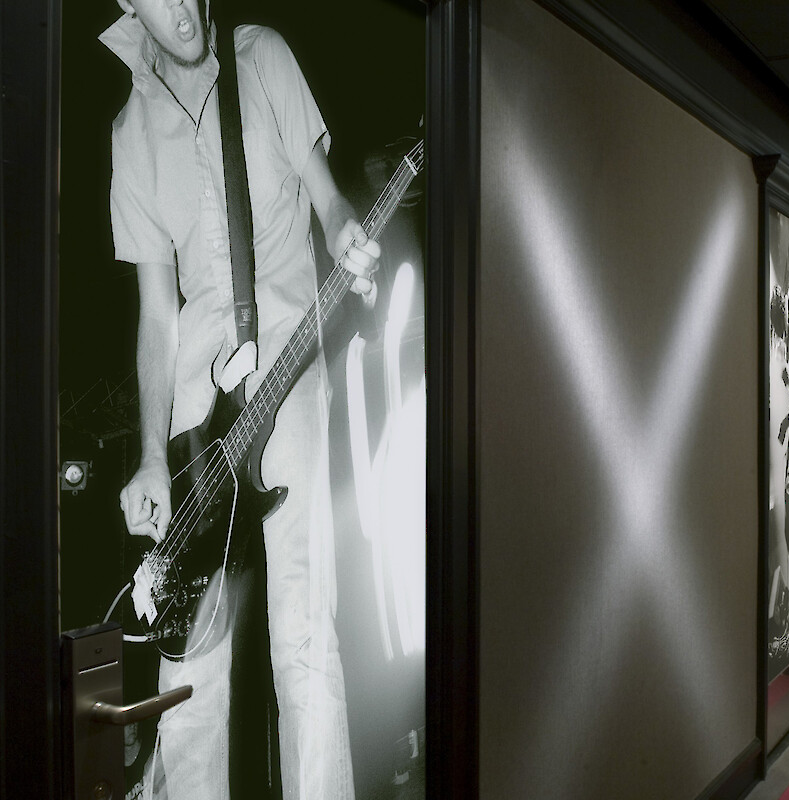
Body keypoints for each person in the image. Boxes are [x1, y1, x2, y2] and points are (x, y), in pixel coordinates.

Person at [105, 1, 379, 797]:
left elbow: (327, 200)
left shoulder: (262, 58)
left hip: (290, 366)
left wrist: (345, 233)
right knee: (190, 670)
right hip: (197, 412)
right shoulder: (130, 136)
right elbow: (158, 317)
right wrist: (153, 459)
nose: (185, 7)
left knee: (301, 634)